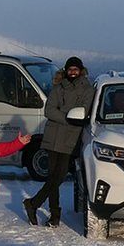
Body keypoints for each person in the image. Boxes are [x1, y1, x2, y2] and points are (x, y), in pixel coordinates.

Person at [24, 56, 93, 227]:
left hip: (70, 138)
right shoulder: (58, 88)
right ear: (66, 70)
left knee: (58, 177)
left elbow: (84, 110)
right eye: (70, 70)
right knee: (52, 177)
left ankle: (33, 204)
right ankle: (54, 216)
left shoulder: (87, 89)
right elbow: (49, 110)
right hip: (53, 137)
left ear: (81, 70)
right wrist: (68, 118)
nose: (73, 72)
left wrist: (67, 116)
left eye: (76, 69)